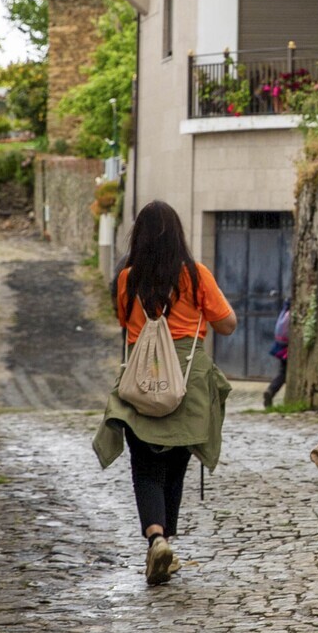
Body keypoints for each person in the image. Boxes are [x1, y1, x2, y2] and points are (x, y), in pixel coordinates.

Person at [96, 201, 236, 586]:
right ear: (178, 235)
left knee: (145, 467)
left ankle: (157, 539)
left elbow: (124, 321)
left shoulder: (127, 279)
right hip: (187, 381)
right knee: (175, 464)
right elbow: (227, 324)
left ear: (138, 237)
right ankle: (164, 544)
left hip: (142, 380)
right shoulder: (196, 275)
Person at [265, 305, 291, 407]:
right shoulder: (290, 311)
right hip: (287, 348)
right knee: (284, 373)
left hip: (281, 345)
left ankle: (271, 390)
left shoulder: (285, 309)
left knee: (283, 371)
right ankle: (271, 391)